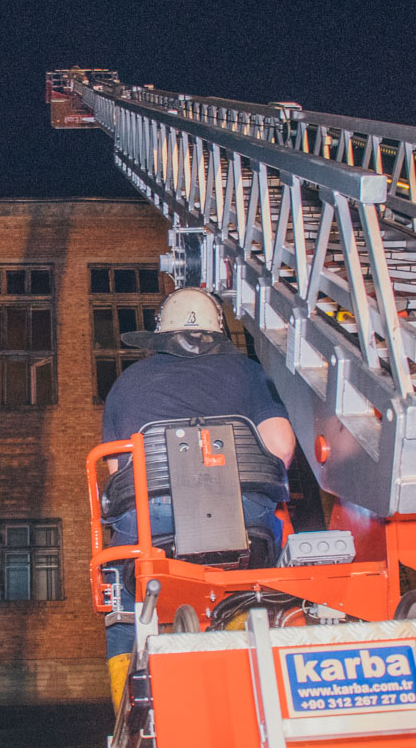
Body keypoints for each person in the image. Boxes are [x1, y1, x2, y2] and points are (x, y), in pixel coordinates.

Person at [99, 287, 296, 702]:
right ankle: (249, 637)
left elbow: (119, 472)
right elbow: (281, 446)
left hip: (149, 526)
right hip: (243, 517)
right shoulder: (247, 372)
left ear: (161, 333)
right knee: (264, 572)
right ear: (218, 330)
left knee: (119, 591)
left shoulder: (126, 383)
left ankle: (127, 699)